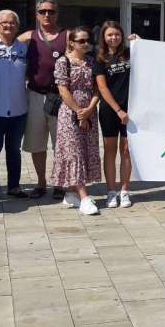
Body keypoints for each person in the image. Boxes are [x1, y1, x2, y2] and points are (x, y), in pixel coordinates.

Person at [19, 0, 68, 199]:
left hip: (60, 98)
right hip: (36, 96)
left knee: (62, 144)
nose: (47, 15)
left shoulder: (67, 36)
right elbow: (2, 41)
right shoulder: (28, 37)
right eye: (43, 11)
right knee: (37, 143)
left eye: (51, 11)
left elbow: (90, 48)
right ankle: (41, 183)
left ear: (57, 14)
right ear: (37, 14)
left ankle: (60, 183)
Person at [53, 27, 101, 215]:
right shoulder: (63, 62)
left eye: (87, 40)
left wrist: (89, 109)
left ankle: (71, 194)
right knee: (74, 152)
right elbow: (63, 89)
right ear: (72, 43)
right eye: (81, 41)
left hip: (90, 110)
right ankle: (84, 197)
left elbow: (98, 88)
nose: (86, 43)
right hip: (70, 111)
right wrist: (79, 113)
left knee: (86, 149)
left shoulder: (92, 61)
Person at [0, 10, 29, 200]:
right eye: (3, 23)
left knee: (14, 150)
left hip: (19, 109)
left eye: (12, 22)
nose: (8, 25)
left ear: (17, 26)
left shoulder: (25, 48)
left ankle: (14, 186)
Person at [94, 21, 133, 209]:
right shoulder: (100, 58)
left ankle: (124, 191)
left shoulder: (130, 53)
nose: (113, 38)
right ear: (104, 37)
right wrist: (118, 110)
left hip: (131, 110)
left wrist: (139, 42)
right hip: (111, 110)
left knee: (126, 151)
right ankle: (111, 191)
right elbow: (102, 87)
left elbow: (151, 59)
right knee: (110, 151)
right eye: (109, 35)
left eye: (117, 34)